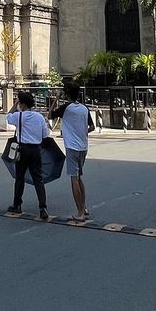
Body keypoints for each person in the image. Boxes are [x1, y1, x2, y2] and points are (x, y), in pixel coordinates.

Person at [49, 81, 94, 222]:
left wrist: (56, 98)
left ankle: (80, 212)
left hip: (72, 147)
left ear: (66, 94)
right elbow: (91, 127)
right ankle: (84, 207)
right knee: (79, 176)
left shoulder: (66, 108)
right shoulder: (84, 108)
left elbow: (50, 115)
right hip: (83, 147)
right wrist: (82, 132)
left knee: (74, 179)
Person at [6, 90, 50, 219]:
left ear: (22, 104)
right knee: (38, 179)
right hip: (36, 149)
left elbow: (8, 117)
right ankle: (43, 207)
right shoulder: (39, 117)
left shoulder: (19, 116)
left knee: (19, 178)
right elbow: (45, 135)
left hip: (23, 149)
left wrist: (14, 105)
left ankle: (17, 204)